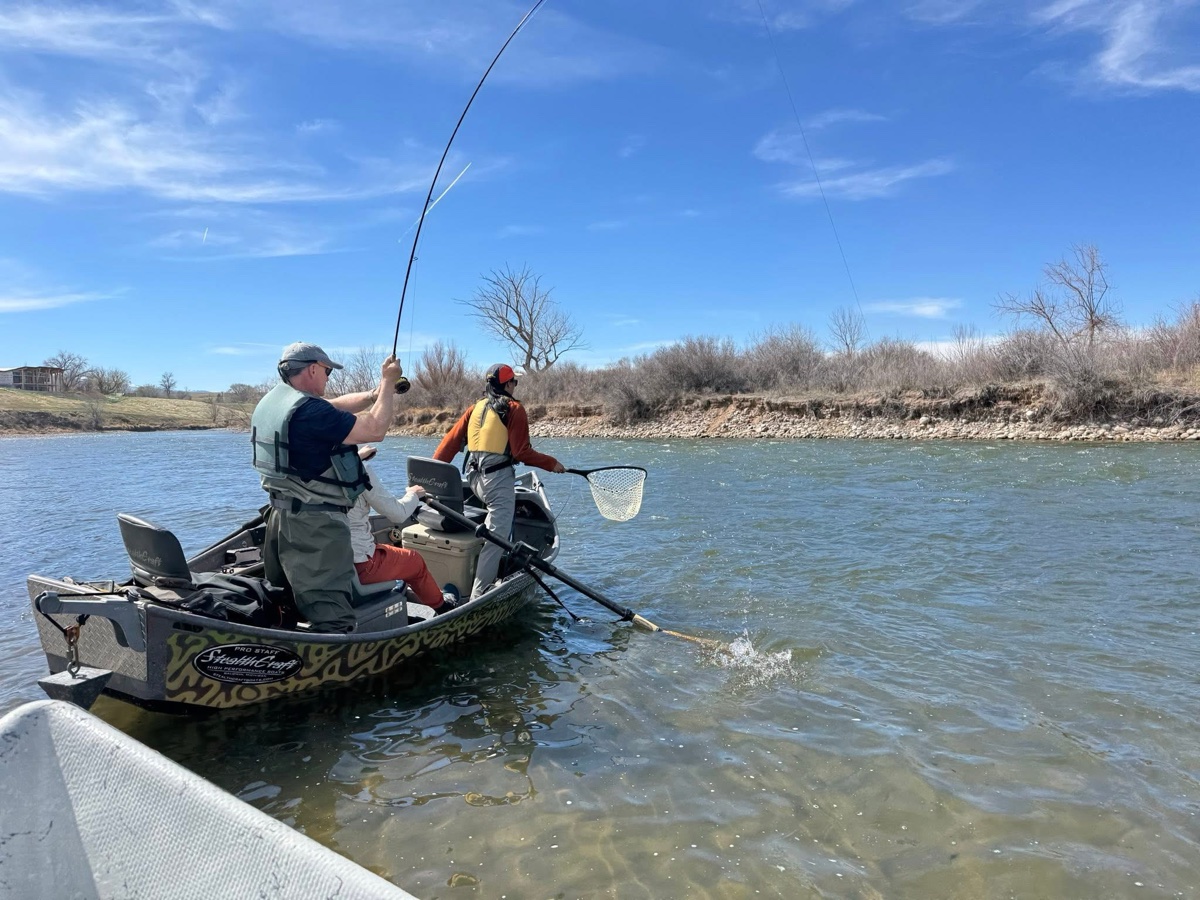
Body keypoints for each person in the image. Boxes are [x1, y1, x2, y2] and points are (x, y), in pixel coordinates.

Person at [251, 342, 403, 633]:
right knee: (332, 613)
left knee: (287, 601)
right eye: (327, 371)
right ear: (311, 369)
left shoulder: (278, 403)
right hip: (314, 526)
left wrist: (375, 394)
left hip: (279, 518)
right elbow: (375, 429)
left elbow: (334, 406)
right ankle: (338, 671)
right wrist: (387, 382)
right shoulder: (311, 414)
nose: (328, 377)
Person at [433, 363, 565, 599]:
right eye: (514, 381)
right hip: (496, 482)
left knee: (497, 517)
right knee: (497, 537)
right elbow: (522, 452)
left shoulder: (474, 408)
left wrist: (430, 476)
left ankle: (488, 571)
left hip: (473, 479)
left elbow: (448, 446)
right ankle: (480, 593)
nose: (515, 385)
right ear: (506, 384)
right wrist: (551, 463)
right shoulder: (514, 408)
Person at [349, 446, 459, 614]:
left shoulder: (302, 470)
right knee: (414, 561)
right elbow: (398, 514)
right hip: (360, 567)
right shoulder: (358, 471)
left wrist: (356, 457)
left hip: (327, 563)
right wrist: (414, 494)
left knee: (389, 551)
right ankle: (443, 607)